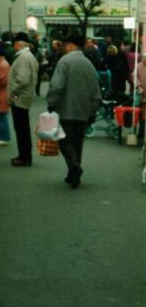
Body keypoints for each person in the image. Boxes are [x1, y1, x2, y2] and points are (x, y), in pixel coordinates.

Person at [46, 30, 102, 189]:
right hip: (83, 111)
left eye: (65, 44)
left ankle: (74, 167)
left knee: (64, 141)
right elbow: (96, 91)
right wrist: (92, 112)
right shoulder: (89, 64)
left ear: (71, 45)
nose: (64, 47)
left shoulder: (64, 61)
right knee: (77, 143)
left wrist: (51, 102)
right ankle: (73, 174)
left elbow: (56, 86)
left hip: (66, 109)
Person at [7, 31, 38, 166]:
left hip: (20, 97)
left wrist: (12, 96)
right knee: (23, 128)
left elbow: (22, 80)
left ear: (18, 44)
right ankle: (25, 156)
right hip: (24, 96)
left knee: (21, 129)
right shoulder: (28, 56)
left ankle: (24, 157)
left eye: (14, 44)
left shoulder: (23, 57)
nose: (13, 46)